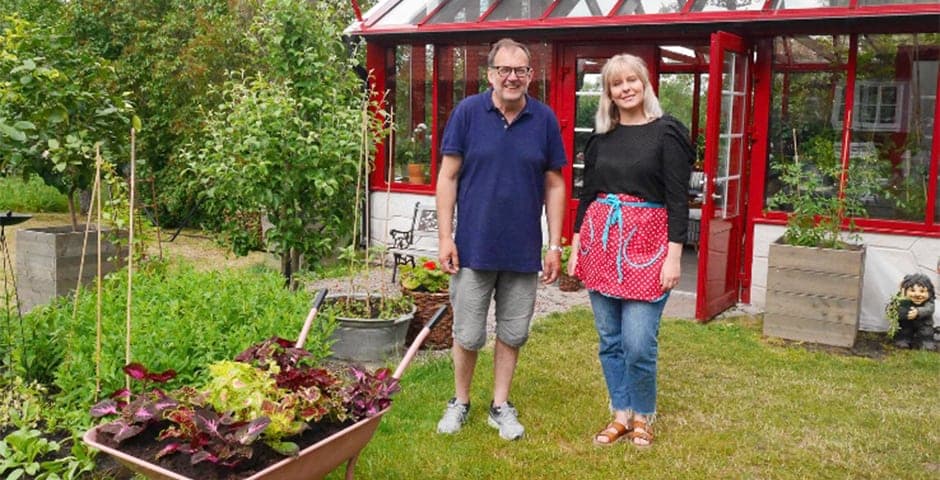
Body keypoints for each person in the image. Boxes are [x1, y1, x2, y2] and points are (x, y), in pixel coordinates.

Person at [435, 38, 567, 441]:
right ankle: (460, 402)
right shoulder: (468, 113)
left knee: (512, 333)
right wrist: (445, 237)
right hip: (473, 247)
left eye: (521, 70)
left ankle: (499, 405)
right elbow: (447, 176)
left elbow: (555, 184)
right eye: (504, 70)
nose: (512, 77)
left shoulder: (544, 120)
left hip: (523, 251)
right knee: (469, 334)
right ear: (490, 74)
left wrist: (555, 245)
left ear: (530, 75)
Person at [567, 53, 694, 448]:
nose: (625, 88)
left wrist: (674, 256)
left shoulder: (667, 133)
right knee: (610, 339)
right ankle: (621, 413)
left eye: (631, 80)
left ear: (644, 83)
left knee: (639, 341)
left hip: (649, 245)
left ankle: (643, 413)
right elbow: (586, 195)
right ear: (608, 93)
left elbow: (678, 200)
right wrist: (575, 246)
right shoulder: (601, 139)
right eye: (616, 84)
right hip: (601, 242)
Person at [891, 273, 936, 351]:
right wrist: (903, 300)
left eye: (922, 291)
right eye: (912, 290)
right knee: (904, 329)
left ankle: (926, 342)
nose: (917, 294)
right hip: (907, 323)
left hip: (924, 323)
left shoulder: (929, 302)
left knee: (926, 332)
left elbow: (929, 309)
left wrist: (918, 311)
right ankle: (903, 340)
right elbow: (895, 309)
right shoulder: (901, 299)